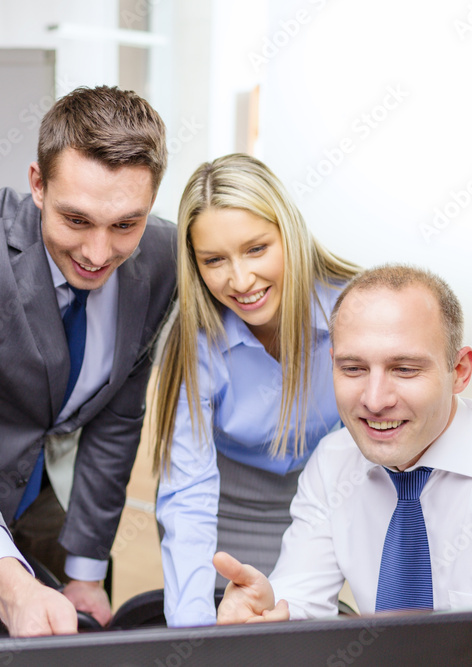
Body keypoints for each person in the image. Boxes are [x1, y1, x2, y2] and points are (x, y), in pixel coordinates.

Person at [0, 85, 176, 634]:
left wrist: (85, 571)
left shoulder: (163, 257)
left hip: (64, 488)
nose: (99, 254)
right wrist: (8, 585)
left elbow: (119, 417)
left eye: (125, 224)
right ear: (37, 184)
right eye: (76, 220)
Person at [214, 265, 472, 665]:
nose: (374, 399)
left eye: (404, 369)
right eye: (353, 369)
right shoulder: (333, 463)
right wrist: (270, 619)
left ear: (459, 370)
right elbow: (301, 601)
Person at [150, 154, 358, 627]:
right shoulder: (193, 342)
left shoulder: (353, 308)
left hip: (326, 508)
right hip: (227, 516)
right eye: (214, 260)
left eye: (257, 249)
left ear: (289, 232)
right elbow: (188, 494)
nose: (240, 281)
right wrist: (194, 635)